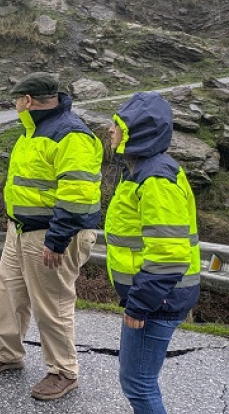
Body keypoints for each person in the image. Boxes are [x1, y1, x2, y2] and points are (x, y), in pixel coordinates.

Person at [0, 72, 102, 401]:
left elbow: (77, 194)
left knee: (52, 303)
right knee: (8, 291)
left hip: (53, 234)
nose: (16, 105)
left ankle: (64, 371)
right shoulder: (32, 132)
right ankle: (8, 353)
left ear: (28, 100)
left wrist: (56, 240)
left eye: (17, 99)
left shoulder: (71, 134)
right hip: (20, 230)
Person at [105, 92, 200, 414]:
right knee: (138, 381)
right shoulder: (139, 170)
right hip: (156, 296)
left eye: (118, 125)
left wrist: (140, 304)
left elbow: (168, 255)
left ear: (138, 130)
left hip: (159, 300)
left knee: (139, 384)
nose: (111, 130)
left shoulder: (155, 178)